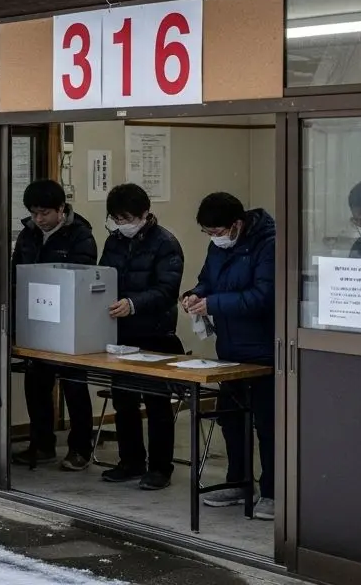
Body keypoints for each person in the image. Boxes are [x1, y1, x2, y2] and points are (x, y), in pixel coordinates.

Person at [184, 192, 276, 521]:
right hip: (230, 348)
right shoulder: (218, 246)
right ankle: (237, 482)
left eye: (218, 231)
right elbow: (208, 280)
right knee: (231, 418)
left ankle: (273, 491)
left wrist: (214, 304)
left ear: (236, 224)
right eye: (208, 233)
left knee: (267, 423)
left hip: (264, 349)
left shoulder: (269, 244)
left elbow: (264, 296)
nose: (214, 238)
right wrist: (195, 296)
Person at [98, 182, 186, 491]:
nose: (122, 225)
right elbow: (104, 277)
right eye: (116, 219)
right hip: (120, 334)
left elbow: (167, 291)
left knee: (157, 404)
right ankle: (130, 460)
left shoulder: (166, 244)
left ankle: (160, 468)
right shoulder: (114, 241)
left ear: (144, 214)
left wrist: (134, 304)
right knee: (124, 401)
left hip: (155, 333)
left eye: (126, 218)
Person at [11, 179, 99, 471]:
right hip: (36, 322)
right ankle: (42, 444)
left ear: (62, 209)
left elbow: (81, 278)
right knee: (36, 385)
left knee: (74, 387)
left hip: (70, 322)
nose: (39, 219)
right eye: (34, 213)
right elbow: (16, 272)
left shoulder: (80, 235)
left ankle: (80, 448)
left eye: (45, 213)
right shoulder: (28, 234)